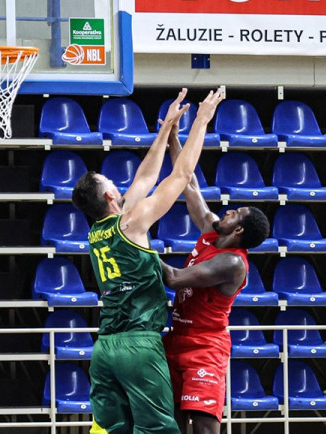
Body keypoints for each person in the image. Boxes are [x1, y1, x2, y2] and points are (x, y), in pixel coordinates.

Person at [72, 87, 224, 434]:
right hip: (137, 344)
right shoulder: (132, 221)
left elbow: (144, 177)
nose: (118, 184)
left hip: (105, 348)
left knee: (115, 430)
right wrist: (201, 120)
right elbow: (181, 176)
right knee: (157, 430)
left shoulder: (98, 230)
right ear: (111, 195)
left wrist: (166, 130)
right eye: (111, 183)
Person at [158, 121, 270, 433]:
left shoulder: (233, 263)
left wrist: (132, 240)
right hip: (176, 338)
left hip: (206, 347)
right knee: (172, 424)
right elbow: (188, 183)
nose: (229, 210)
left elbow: (175, 279)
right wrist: (173, 139)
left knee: (204, 428)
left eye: (236, 213)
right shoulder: (210, 231)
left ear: (238, 231)